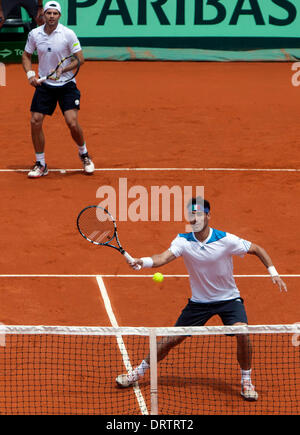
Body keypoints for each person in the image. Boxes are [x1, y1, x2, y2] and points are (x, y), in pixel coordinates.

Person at [116, 197, 287, 401]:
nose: (195, 218)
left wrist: (273, 272)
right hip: (199, 303)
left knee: (242, 332)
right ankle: (138, 372)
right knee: (170, 340)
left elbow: (257, 249)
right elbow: (163, 257)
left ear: (208, 216)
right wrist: (142, 262)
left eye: (199, 214)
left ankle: (246, 380)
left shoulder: (226, 239)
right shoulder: (183, 241)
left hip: (229, 300)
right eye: (191, 215)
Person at [22, 1, 94, 178]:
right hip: (45, 85)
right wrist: (31, 74)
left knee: (71, 122)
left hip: (67, 84)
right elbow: (26, 55)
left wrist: (64, 69)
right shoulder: (34, 34)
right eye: (49, 13)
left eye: (55, 13)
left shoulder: (68, 34)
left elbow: (80, 59)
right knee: (35, 121)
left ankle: (83, 153)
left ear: (59, 16)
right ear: (43, 15)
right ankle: (41, 163)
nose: (52, 16)